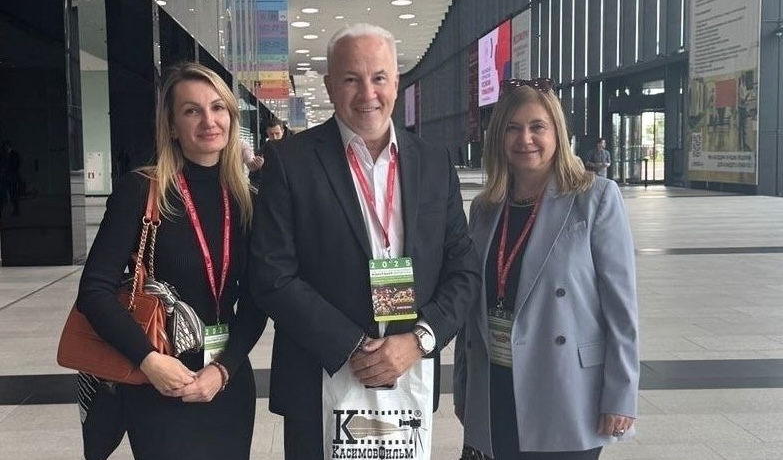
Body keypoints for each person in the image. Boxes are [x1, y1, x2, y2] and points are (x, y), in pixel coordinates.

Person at [248, 23, 481, 459]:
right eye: (351, 79)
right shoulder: (290, 162)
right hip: (319, 378)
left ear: (397, 82)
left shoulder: (433, 161)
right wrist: (354, 347)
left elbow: (463, 268)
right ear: (329, 85)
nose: (367, 93)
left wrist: (418, 341)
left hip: (409, 376)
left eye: (379, 77)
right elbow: (271, 275)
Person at [76, 62, 267, 459]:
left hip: (227, 381)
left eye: (218, 107)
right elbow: (94, 291)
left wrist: (223, 369)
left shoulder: (247, 202)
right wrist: (149, 362)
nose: (209, 121)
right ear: (173, 125)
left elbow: (256, 300)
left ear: (231, 117)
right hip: (158, 382)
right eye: (192, 110)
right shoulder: (141, 191)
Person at [454, 79, 639, 460]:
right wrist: (464, 387)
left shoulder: (595, 198)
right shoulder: (485, 209)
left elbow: (621, 309)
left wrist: (621, 394)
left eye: (537, 126)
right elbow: (472, 311)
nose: (525, 139)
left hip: (566, 390)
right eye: (513, 128)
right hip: (494, 386)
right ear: (499, 137)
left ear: (557, 133)